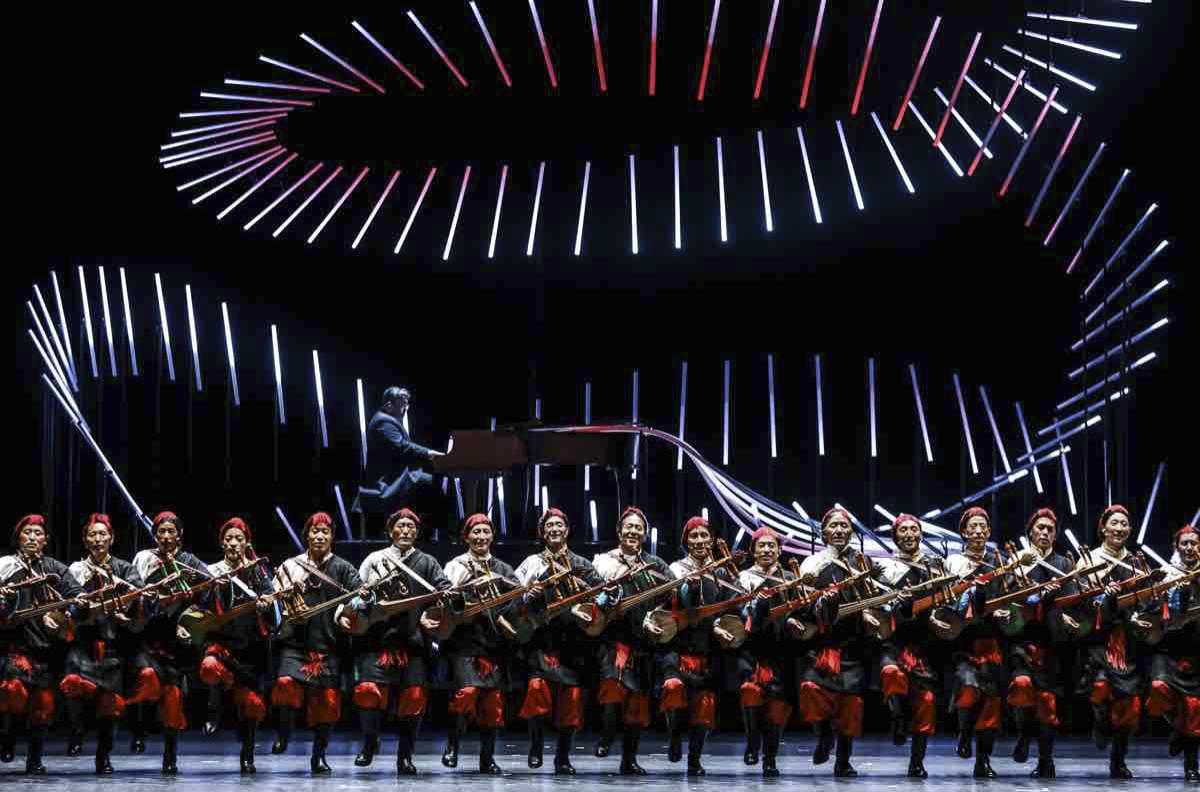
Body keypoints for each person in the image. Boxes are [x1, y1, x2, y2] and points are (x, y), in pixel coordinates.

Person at [348, 507, 450, 775]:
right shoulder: (375, 559)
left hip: (413, 642)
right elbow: (356, 597)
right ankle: (369, 743)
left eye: (411, 526)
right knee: (368, 692)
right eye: (400, 525)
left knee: (413, 698)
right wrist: (363, 598)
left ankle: (405, 756)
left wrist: (433, 611)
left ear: (417, 532)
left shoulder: (427, 562)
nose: (405, 530)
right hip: (378, 640)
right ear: (390, 530)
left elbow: (445, 590)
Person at [270, 512, 362, 774]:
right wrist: (285, 604)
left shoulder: (343, 568)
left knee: (328, 703)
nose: (320, 536)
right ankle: (284, 732)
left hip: (328, 645)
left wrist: (349, 609)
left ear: (332, 537)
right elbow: (273, 599)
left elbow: (359, 597)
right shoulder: (290, 566)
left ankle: (319, 755)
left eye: (325, 532)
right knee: (285, 685)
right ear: (307, 535)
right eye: (315, 531)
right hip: (295, 643)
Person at [514, 507, 604, 774]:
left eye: (559, 525)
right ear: (543, 532)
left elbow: (601, 595)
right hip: (541, 639)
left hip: (573, 642)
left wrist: (591, 604)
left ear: (567, 530)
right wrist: (528, 595)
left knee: (572, 699)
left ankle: (563, 757)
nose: (554, 529)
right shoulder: (532, 563)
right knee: (536, 691)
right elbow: (514, 597)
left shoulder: (581, 564)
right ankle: (536, 746)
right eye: (549, 526)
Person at [128, 511, 212, 774]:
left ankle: (170, 757)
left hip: (176, 642)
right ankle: (139, 731)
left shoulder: (189, 562)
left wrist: (191, 607)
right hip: (148, 636)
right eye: (161, 532)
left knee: (174, 699)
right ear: (155, 535)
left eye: (171, 531)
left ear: (179, 535)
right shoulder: (144, 558)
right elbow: (134, 592)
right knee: (147, 680)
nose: (166, 536)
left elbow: (209, 590)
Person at [590, 506, 671, 775]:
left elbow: (671, 596)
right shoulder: (604, 562)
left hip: (643, 642)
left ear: (645, 534)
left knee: (637, 704)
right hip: (614, 639)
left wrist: (657, 618)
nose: (633, 531)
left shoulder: (655, 566)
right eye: (629, 527)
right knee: (612, 688)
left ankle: (629, 759)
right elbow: (591, 596)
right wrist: (605, 598)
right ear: (619, 531)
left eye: (638, 528)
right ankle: (606, 735)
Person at [60, 513, 142, 774]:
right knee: (72, 684)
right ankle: (77, 729)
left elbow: (139, 596)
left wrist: (123, 596)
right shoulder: (75, 570)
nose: (97, 539)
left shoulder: (124, 568)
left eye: (102, 534)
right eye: (92, 535)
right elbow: (68, 602)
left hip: (113, 644)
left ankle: (103, 755)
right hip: (83, 643)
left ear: (111, 538)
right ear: (85, 540)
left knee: (110, 704)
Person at [195, 517, 278, 774]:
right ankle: (214, 708)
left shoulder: (258, 571)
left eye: (238, 539)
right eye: (228, 538)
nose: (233, 543)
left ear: (247, 543)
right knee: (209, 666)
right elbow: (200, 608)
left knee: (252, 705)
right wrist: (211, 588)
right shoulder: (211, 571)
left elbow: (273, 606)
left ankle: (247, 754)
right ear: (222, 543)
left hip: (251, 650)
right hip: (221, 644)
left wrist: (266, 605)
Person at [0, 514, 81, 774]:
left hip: (47, 648)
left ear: (45, 540)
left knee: (43, 704)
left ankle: (34, 759)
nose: (33, 538)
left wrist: (63, 615)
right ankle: (8, 737)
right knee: (14, 692)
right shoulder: (5, 566)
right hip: (15, 644)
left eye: (38, 533)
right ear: (18, 538)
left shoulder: (55, 568)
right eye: (28, 532)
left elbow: (78, 597)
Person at [797, 506, 873, 778]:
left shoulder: (863, 562)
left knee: (849, 705)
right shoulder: (812, 563)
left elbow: (872, 597)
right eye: (834, 526)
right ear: (824, 532)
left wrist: (869, 613)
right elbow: (802, 604)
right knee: (810, 690)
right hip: (820, 643)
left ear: (851, 531)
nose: (839, 530)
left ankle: (843, 760)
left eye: (844, 526)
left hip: (852, 644)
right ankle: (823, 735)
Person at [657, 515, 735, 776]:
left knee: (704, 705)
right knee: (672, 688)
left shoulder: (722, 572)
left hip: (708, 648)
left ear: (711, 540)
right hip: (678, 646)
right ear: (686, 541)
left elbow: (729, 608)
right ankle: (674, 733)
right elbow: (666, 606)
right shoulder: (675, 570)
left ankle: (694, 759)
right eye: (694, 536)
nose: (700, 540)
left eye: (704, 535)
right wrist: (685, 591)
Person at [440, 513, 517, 774]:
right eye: (476, 532)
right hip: (464, 644)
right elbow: (446, 600)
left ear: (492, 536)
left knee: (493, 704)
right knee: (467, 694)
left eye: (486, 532)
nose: (481, 536)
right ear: (466, 536)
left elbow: (515, 603)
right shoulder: (455, 565)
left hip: (494, 646)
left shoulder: (504, 570)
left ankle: (487, 758)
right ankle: (452, 746)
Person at [1070, 504, 1143, 778]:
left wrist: (1139, 616)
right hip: (1097, 637)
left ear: (1130, 530)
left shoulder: (1136, 563)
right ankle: (1100, 724)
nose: (1119, 528)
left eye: (1124, 524)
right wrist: (1101, 596)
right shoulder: (1088, 560)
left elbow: (1144, 600)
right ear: (1103, 528)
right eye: (1114, 523)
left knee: (1128, 703)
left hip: (1125, 640)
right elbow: (1079, 601)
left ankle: (1118, 759)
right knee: (1100, 687)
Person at [1003, 508, 1074, 778]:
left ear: (1055, 535)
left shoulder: (1064, 564)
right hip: (1022, 638)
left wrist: (1064, 613)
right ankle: (1024, 734)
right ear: (1030, 531)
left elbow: (1072, 599)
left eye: (1050, 529)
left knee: (1047, 702)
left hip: (1051, 642)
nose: (1044, 532)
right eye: (1040, 528)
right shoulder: (1019, 560)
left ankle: (1046, 760)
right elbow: (1007, 594)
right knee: (1022, 686)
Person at [873, 513, 945, 778]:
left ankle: (917, 762)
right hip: (894, 642)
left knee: (926, 702)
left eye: (914, 529)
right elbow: (877, 604)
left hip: (924, 644)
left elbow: (945, 601)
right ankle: (898, 717)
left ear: (921, 534)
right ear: (895, 537)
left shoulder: (934, 566)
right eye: (903, 530)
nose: (909, 534)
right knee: (890, 673)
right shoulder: (885, 568)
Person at [940, 506, 1009, 779]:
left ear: (989, 531)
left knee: (991, 702)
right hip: (963, 640)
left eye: (983, 527)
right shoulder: (953, 563)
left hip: (991, 641)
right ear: (963, 532)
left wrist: (1003, 611)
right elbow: (946, 600)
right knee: (969, 689)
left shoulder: (999, 562)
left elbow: (1008, 595)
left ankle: (983, 760)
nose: (978, 531)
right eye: (973, 527)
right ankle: (964, 732)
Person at [737, 526, 798, 777]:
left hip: (781, 651)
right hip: (751, 650)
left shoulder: (790, 578)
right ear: (753, 551)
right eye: (761, 545)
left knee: (777, 706)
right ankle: (753, 743)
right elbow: (737, 612)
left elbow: (799, 609)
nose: (766, 550)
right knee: (750, 692)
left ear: (779, 550)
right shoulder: (743, 578)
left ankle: (770, 759)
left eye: (771, 545)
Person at [1144, 524, 1200, 781]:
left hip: (1197, 649)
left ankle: (1191, 767)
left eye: (1194, 543)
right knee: (1158, 689)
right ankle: (1177, 728)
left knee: (1194, 708)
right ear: (1177, 547)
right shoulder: (1166, 574)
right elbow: (1150, 608)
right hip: (1168, 648)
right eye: (1184, 543)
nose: (1189, 547)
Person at [353, 387, 441, 522]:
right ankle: (426, 527)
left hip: (396, 476)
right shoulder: (384, 423)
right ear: (389, 406)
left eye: (407, 404)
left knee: (433, 482)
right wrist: (429, 453)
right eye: (402, 405)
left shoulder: (388, 420)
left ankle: (423, 526)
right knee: (433, 484)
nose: (406, 409)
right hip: (387, 482)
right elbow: (402, 446)